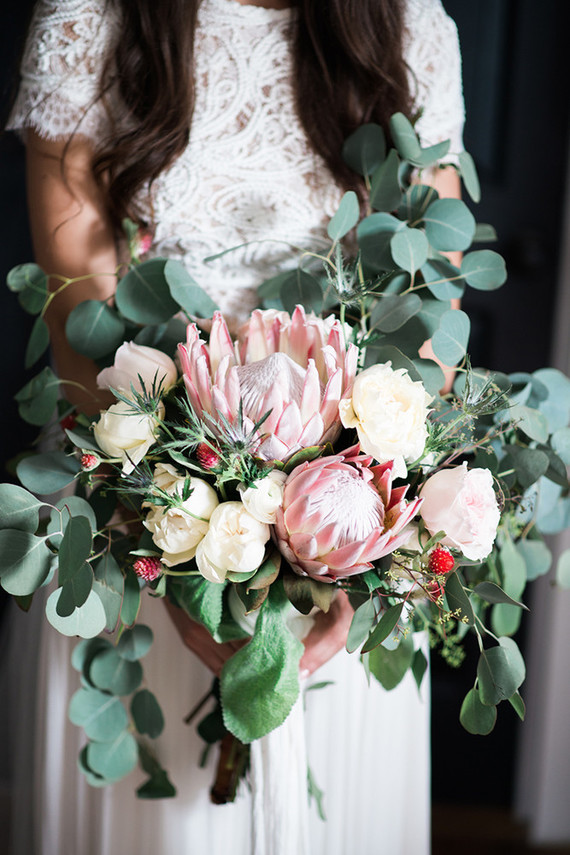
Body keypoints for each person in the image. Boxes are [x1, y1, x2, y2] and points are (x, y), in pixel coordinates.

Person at [6, 0, 464, 852]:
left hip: (349, 543)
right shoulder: (86, 20)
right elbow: (81, 307)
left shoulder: (411, 26)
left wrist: (348, 554)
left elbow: (429, 307)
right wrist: (182, 547)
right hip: (135, 518)